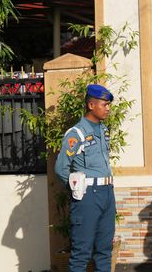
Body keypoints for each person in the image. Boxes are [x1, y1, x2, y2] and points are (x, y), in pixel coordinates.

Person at [53, 84, 117, 272]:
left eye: (108, 104)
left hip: (107, 193)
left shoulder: (104, 131)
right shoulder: (76, 133)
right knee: (81, 254)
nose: (108, 108)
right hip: (88, 196)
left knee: (105, 251)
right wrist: (77, 190)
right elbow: (61, 168)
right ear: (91, 105)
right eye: (104, 104)